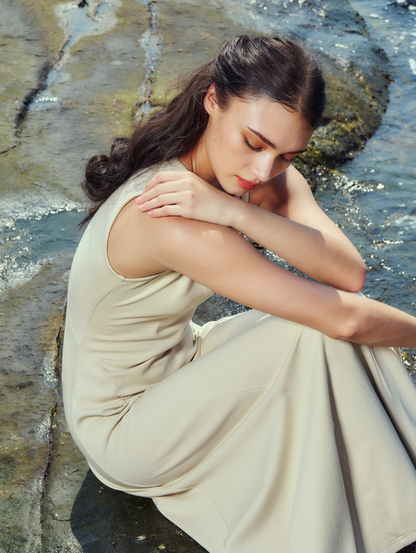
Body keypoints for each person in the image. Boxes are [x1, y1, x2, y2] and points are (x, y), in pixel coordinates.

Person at [62, 35, 416, 553]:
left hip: (183, 361)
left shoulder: (248, 177)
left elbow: (348, 273)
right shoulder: (168, 216)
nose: (262, 170)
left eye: (286, 154)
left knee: (326, 330)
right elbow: (345, 318)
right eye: (253, 143)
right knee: (317, 334)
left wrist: (238, 210)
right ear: (212, 99)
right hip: (123, 425)